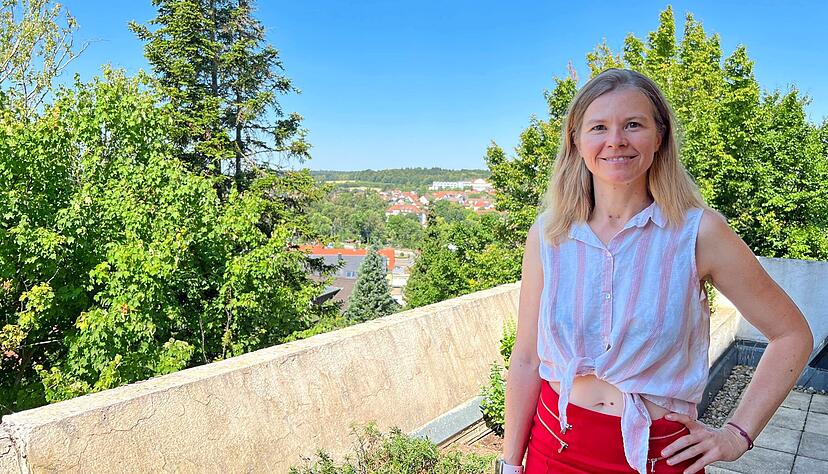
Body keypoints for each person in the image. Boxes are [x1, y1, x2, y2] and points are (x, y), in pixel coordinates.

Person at [495, 68, 813, 474]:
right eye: (598, 127)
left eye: (633, 124)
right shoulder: (548, 235)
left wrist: (737, 434)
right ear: (576, 140)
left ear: (659, 136)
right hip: (553, 448)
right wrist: (510, 463)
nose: (616, 141)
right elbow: (526, 360)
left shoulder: (699, 233)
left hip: (658, 454)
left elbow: (792, 335)